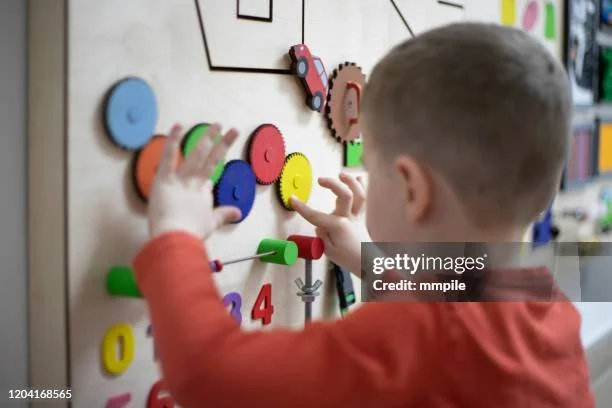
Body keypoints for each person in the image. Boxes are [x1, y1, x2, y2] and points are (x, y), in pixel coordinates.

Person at [134, 23, 594, 407]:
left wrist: (176, 235)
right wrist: (373, 263)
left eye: (370, 167)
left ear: (412, 188)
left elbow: (206, 374)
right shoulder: (547, 306)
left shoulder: (411, 341)